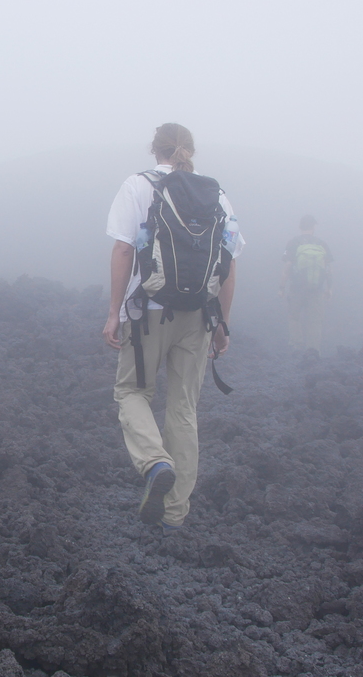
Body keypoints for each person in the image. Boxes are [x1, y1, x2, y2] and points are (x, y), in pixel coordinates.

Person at [102, 123, 244, 533]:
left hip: (147, 310)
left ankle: (154, 462)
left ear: (155, 150)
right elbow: (230, 263)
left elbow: (123, 249)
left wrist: (114, 312)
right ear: (189, 151)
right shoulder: (217, 195)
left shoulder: (138, 185)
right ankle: (175, 514)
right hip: (198, 315)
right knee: (183, 408)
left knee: (132, 392)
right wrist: (223, 324)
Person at [279, 215, 333, 354]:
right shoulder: (322, 244)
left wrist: (282, 287)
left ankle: (296, 346)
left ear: (300, 227)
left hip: (297, 288)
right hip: (316, 289)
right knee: (315, 321)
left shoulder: (293, 243)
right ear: (313, 227)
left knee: (294, 317)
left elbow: (287, 267)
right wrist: (329, 288)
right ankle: (313, 350)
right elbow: (328, 269)